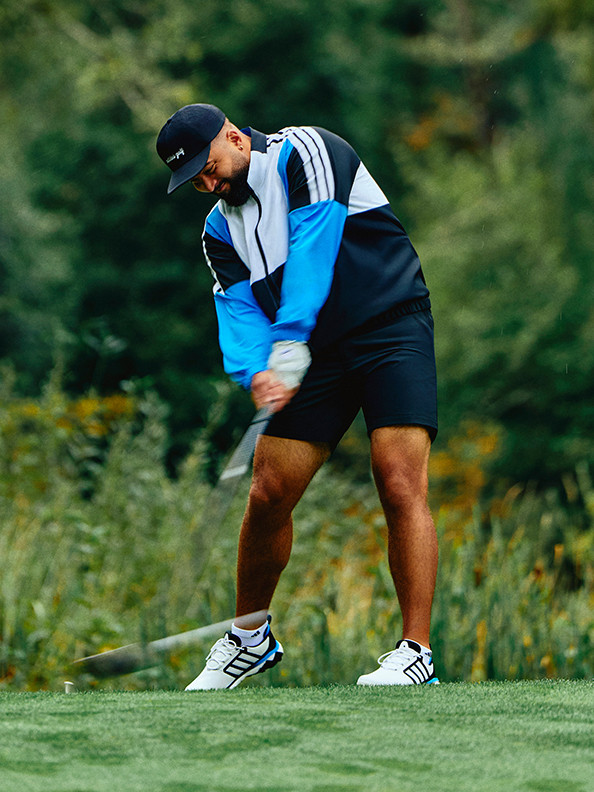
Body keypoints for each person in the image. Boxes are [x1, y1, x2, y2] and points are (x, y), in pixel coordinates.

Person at [156, 104, 440, 689]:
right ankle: (249, 639)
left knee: (397, 478)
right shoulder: (218, 229)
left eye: (210, 168)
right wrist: (258, 369)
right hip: (312, 351)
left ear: (233, 136)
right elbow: (234, 309)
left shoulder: (305, 151)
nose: (210, 185)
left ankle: (416, 651)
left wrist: (289, 337)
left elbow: (315, 246)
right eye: (197, 182)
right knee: (268, 491)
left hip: (389, 326)